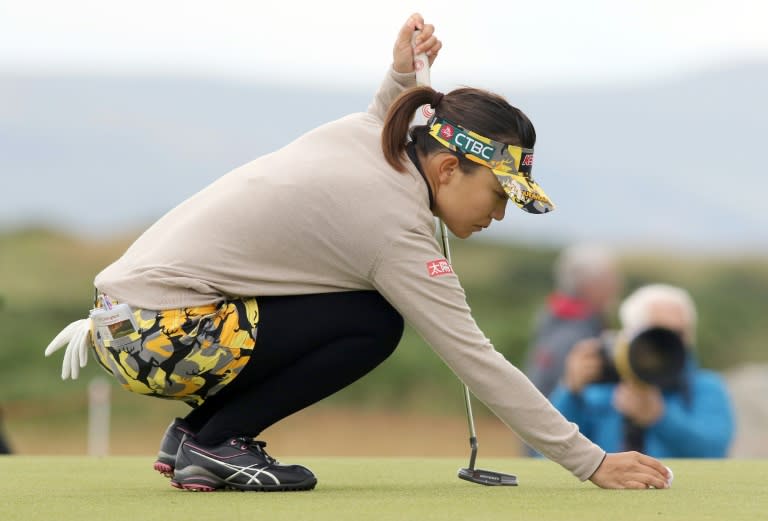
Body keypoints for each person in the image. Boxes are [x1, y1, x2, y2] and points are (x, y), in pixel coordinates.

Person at [44, 13, 671, 491]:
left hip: (132, 326)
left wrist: (403, 70)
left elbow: (394, 107)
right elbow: (475, 358)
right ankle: (217, 440)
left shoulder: (378, 134)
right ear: (449, 168)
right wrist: (591, 462)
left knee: (358, 311)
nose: (500, 213)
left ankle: (199, 440)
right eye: (499, 193)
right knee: (372, 322)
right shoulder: (392, 225)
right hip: (157, 339)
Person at [549, 283, 735, 457]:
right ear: (629, 336)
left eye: (678, 334)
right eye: (657, 334)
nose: (668, 344)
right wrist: (571, 392)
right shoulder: (600, 389)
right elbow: (550, 451)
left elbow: (714, 450)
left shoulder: (705, 387)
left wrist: (660, 417)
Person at [524, 243, 622, 399]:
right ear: (588, 285)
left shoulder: (559, 319)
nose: (617, 286)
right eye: (610, 279)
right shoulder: (573, 335)